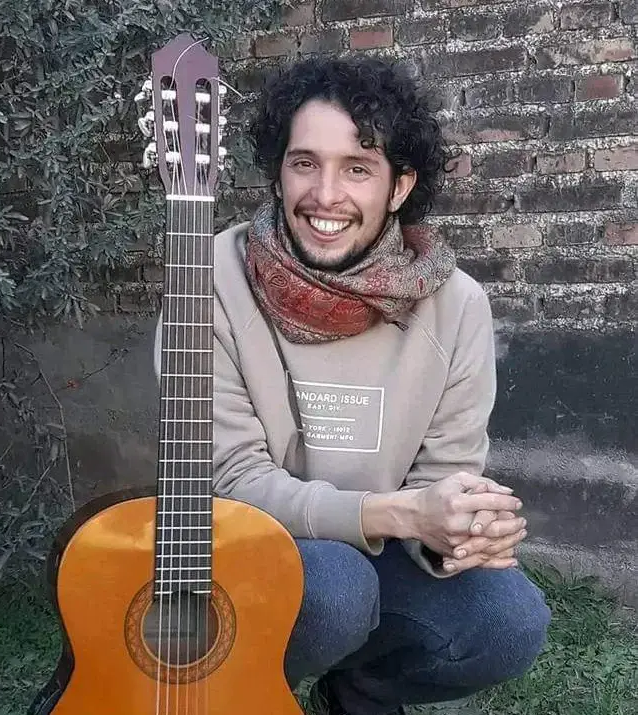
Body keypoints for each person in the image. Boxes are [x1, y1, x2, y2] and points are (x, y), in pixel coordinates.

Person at [158, 55, 551, 715]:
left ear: (399, 186)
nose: (325, 195)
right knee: (334, 588)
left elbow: (443, 477)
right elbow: (226, 479)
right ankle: (240, 691)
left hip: (382, 557)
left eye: (358, 168)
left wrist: (462, 527)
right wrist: (396, 513)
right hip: (246, 548)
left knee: (507, 620)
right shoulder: (210, 279)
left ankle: (357, 696)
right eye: (304, 163)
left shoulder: (456, 306)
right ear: (277, 171)